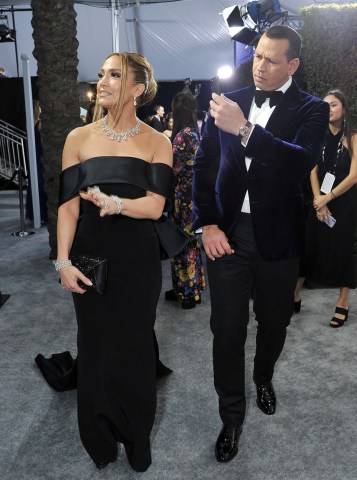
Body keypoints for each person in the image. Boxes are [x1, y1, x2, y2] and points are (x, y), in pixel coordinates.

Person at [192, 25, 329, 463]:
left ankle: (264, 375)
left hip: (280, 239)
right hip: (227, 235)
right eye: (258, 57)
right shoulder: (232, 98)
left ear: (292, 65)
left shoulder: (312, 109)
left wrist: (246, 129)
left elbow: (298, 163)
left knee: (274, 324)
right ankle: (231, 418)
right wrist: (207, 224)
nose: (261, 66)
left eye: (272, 60)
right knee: (226, 331)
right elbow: (203, 164)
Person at [55, 52, 173, 472]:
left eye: (115, 75)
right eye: (102, 74)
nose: (102, 81)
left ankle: (136, 436)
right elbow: (67, 208)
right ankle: (99, 440)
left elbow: (157, 208)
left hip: (138, 260)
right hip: (90, 255)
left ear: (137, 89)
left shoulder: (159, 143)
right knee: (96, 347)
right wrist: (62, 261)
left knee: (136, 349)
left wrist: (116, 203)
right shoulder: (78, 138)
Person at [294, 89, 357, 327]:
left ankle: (342, 302)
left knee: (342, 252)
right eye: (324, 106)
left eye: (333, 105)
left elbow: (354, 176)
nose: (328, 110)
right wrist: (318, 201)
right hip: (319, 203)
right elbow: (312, 170)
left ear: (344, 109)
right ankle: (294, 295)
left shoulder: (356, 138)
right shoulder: (319, 137)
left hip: (343, 204)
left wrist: (328, 198)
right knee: (308, 248)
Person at [164, 92, 206, 309]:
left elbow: (172, 169)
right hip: (194, 197)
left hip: (182, 198)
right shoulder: (196, 134)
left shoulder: (181, 136)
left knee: (181, 244)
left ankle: (187, 292)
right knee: (191, 244)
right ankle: (191, 288)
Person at [25, 99, 48, 223]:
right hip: (40, 156)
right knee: (40, 184)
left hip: (35, 155)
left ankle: (36, 214)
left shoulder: (31, 122)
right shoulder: (40, 123)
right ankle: (42, 215)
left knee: (35, 184)